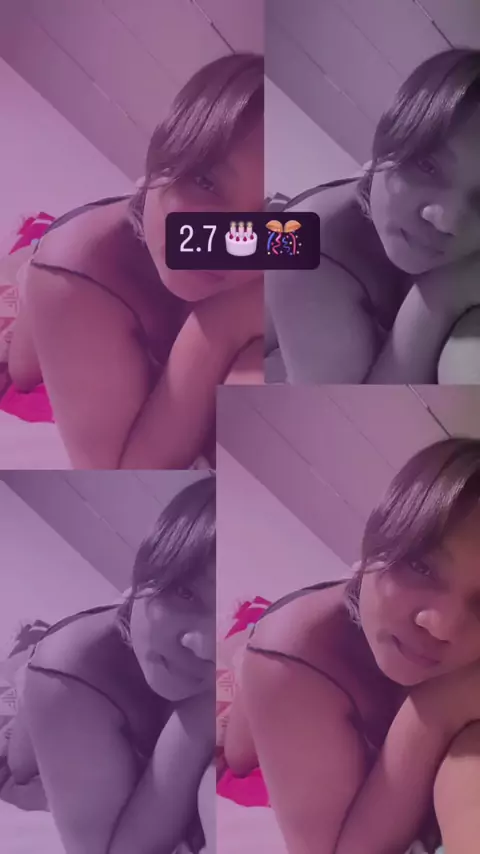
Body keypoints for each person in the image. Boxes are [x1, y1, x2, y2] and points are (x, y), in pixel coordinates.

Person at [8, 53, 264, 469]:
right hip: (84, 267)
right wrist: (219, 327)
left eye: (267, 215)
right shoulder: (79, 276)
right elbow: (111, 470)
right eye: (205, 182)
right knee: (23, 367)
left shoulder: (291, 244)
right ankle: (32, 267)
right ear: (161, 157)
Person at [224, 438, 480, 854]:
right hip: (292, 656)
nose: (441, 625)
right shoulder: (295, 657)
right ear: (377, 537)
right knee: (239, 748)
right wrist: (435, 711)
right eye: (421, 566)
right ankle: (248, 646)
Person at [4, 476, 216, 854]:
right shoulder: (68, 674)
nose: (201, 645)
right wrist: (195, 726)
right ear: (144, 571)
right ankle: (30, 651)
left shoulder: (241, 652)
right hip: (29, 750)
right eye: (185, 593)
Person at [265, 48, 480, 385]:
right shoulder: (303, 260)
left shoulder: (389, 185)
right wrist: (438, 298)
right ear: (388, 137)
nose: (446, 220)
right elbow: (337, 408)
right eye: (428, 166)